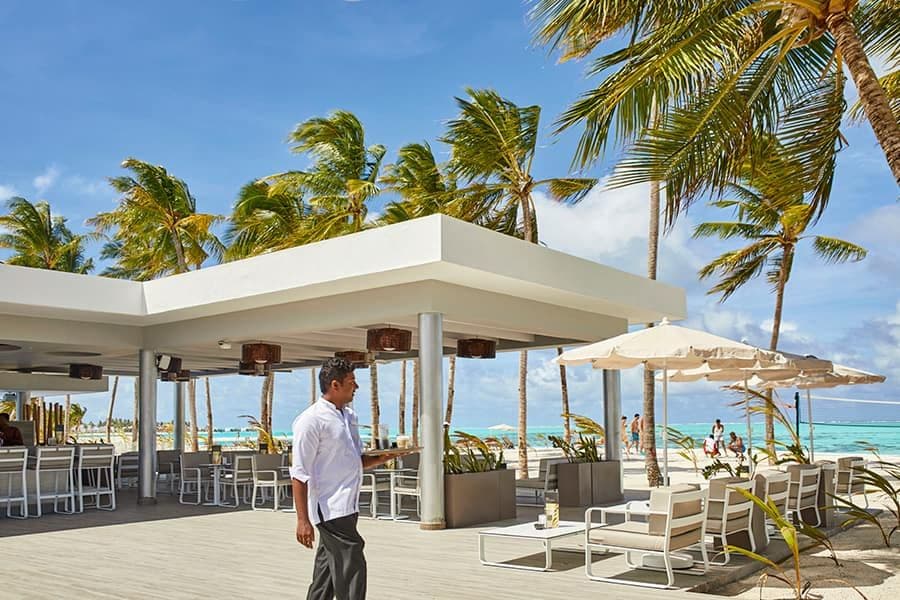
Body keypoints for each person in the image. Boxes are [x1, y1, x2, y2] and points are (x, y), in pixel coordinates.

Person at [291, 357, 410, 600]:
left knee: (326, 575)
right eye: (351, 382)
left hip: (348, 506)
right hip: (329, 508)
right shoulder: (311, 420)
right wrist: (303, 520)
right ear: (335, 385)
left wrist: (385, 457)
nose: (356, 387)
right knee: (352, 565)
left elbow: (355, 461)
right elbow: (299, 473)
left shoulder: (348, 417)